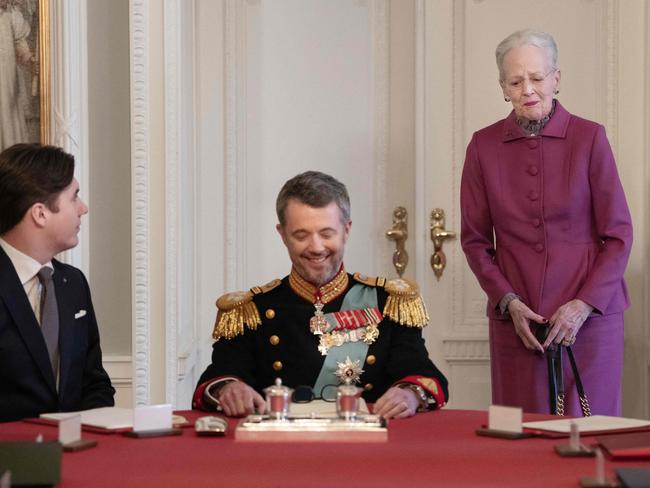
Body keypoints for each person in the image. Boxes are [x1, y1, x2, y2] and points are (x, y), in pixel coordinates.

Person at [460, 29, 632, 416]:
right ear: (503, 87)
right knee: (519, 436)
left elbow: (618, 234)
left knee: (590, 438)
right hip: (519, 322)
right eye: (516, 81)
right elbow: (474, 241)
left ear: (556, 79)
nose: (528, 90)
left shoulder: (590, 138)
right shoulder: (482, 146)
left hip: (591, 317)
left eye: (537, 78)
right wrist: (509, 302)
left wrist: (584, 304)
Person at [194, 171, 448, 419]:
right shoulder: (251, 311)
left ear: (346, 230)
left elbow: (423, 375)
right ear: (282, 234)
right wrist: (229, 389)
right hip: (279, 449)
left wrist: (410, 395)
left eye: (327, 234)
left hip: (364, 447)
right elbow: (218, 378)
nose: (316, 248)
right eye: (301, 235)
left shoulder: (389, 303)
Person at [0, 143, 115, 422]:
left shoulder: (73, 284)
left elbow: (94, 383)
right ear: (40, 213)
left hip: (78, 456)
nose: (83, 208)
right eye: (74, 197)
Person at [0, 0, 37, 151]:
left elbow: (20, 43)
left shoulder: (10, 14)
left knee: (7, 120)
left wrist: (31, 59)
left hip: (6, 82)